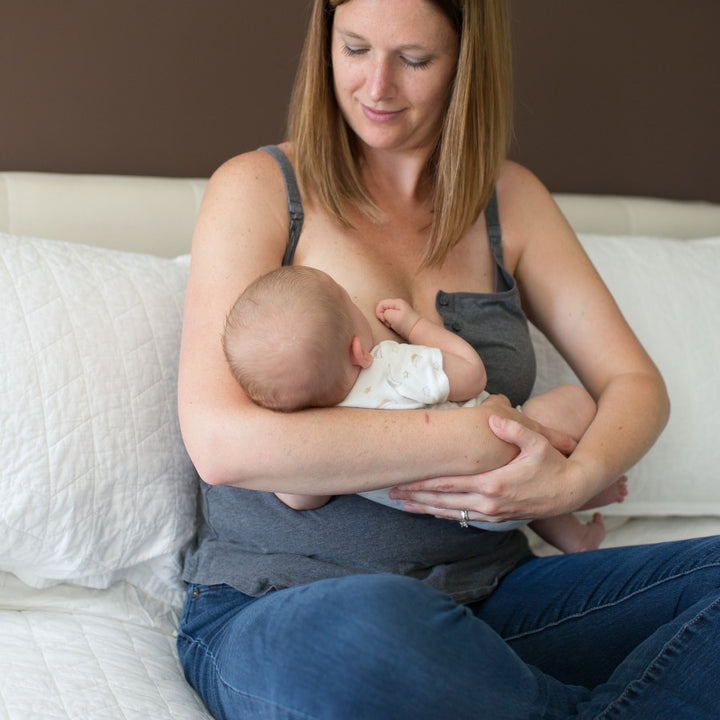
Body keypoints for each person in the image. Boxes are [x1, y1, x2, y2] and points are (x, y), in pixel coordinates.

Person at [176, 0, 720, 717]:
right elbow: (222, 445)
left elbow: (633, 383)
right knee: (372, 629)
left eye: (414, 59)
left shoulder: (510, 201)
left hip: (495, 595)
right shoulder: (260, 188)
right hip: (290, 602)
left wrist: (571, 480)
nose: (376, 87)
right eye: (355, 48)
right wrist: (475, 437)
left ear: (467, 61)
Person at [223, 264, 626, 552]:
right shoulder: (391, 366)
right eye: (351, 304)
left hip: (466, 513)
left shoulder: (315, 443)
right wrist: (415, 327)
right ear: (357, 350)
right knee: (571, 401)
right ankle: (575, 489)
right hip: (520, 477)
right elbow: (471, 377)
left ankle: (574, 535)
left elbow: (300, 499)